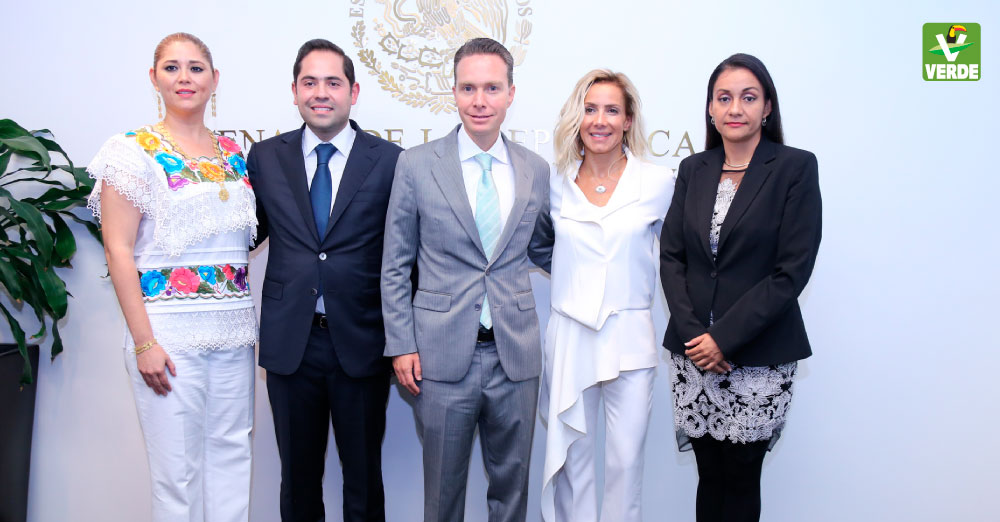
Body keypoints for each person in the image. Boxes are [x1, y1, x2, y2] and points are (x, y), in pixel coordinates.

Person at [87, 32, 257, 522]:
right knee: (176, 476)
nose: (185, 78)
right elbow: (118, 250)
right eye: (172, 67)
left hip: (234, 334)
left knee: (232, 460)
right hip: (167, 338)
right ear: (154, 77)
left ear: (214, 79)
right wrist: (145, 343)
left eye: (196, 68)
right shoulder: (130, 150)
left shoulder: (233, 152)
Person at [380, 37, 550, 522]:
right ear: (453, 92)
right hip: (439, 356)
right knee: (443, 493)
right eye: (468, 88)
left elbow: (545, 248)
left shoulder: (535, 170)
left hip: (515, 355)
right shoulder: (416, 164)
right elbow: (395, 263)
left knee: (512, 493)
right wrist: (401, 344)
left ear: (510, 93)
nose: (480, 100)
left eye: (492, 88)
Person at [659, 53, 822, 522]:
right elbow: (672, 257)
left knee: (742, 478)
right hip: (694, 356)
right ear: (710, 108)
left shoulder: (794, 167)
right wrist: (697, 337)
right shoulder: (694, 168)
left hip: (757, 353)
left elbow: (791, 270)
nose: (735, 108)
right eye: (724, 98)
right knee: (709, 476)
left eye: (748, 98)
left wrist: (723, 339)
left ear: (767, 107)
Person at [246, 39, 402, 522]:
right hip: (291, 344)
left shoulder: (391, 161)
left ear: (353, 92)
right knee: (297, 481)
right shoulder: (264, 157)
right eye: (309, 82)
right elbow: (245, 236)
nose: (320, 93)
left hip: (362, 341)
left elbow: (406, 256)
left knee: (363, 481)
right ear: (294, 91)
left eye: (333, 82)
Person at [531, 70, 673, 522]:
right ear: (577, 117)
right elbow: (541, 247)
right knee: (573, 463)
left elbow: (679, 259)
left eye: (612, 110)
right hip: (570, 336)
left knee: (625, 465)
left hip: (631, 338)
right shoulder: (553, 182)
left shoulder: (658, 182)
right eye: (590, 109)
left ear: (628, 120)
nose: (599, 120)